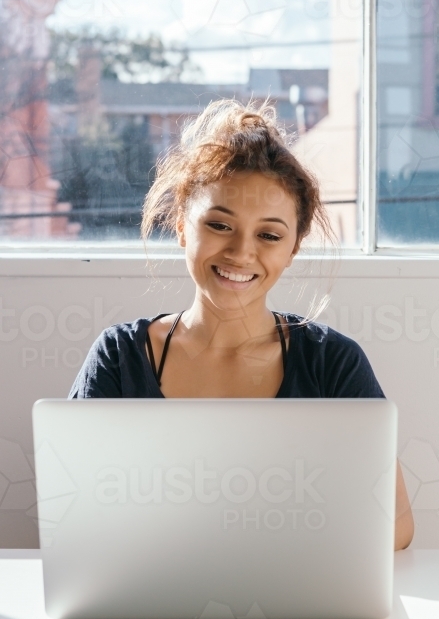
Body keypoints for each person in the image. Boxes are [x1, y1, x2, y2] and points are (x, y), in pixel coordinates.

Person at [70, 100, 414, 550]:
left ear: (292, 248)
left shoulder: (332, 362)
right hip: (152, 605)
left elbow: (396, 527)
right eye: (219, 225)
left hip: (297, 603)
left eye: (269, 235)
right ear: (180, 226)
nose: (240, 253)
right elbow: (75, 517)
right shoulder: (118, 357)